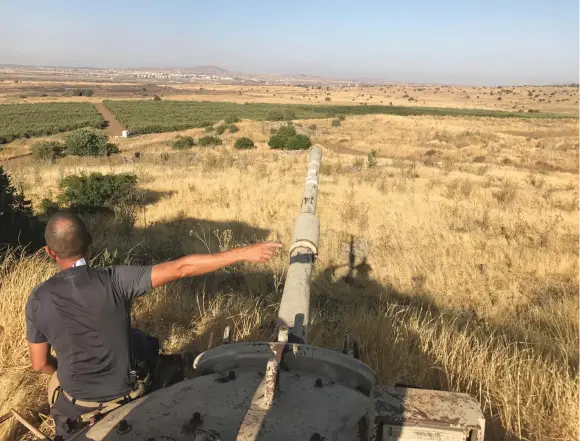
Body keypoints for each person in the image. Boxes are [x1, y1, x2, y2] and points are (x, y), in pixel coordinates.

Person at [25, 211, 281, 440]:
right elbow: (182, 268)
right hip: (127, 399)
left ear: (50, 251)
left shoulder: (37, 299)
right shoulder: (115, 280)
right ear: (89, 247)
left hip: (75, 406)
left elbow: (40, 364)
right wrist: (244, 252)